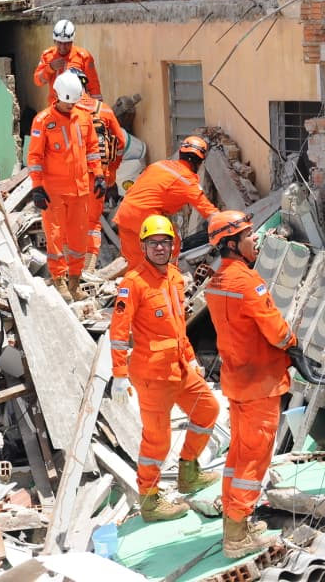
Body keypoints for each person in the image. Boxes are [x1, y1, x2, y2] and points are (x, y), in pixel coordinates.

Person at [204, 211, 325, 557]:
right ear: (232, 244)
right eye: (247, 235)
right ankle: (237, 536)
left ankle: (234, 520)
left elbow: (244, 332)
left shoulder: (217, 283)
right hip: (260, 384)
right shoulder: (247, 283)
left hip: (238, 380)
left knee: (239, 454)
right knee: (254, 458)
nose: (254, 239)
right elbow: (273, 327)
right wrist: (294, 346)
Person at [109, 214, 221, 522]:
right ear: (143, 247)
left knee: (207, 410)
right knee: (157, 440)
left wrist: (192, 360)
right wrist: (119, 374)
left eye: (165, 242)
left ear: (173, 246)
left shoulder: (174, 277)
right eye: (153, 243)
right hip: (152, 375)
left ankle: (188, 472)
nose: (160, 248)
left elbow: (178, 327)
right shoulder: (133, 283)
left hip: (181, 367)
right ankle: (149, 500)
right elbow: (118, 332)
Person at [27, 70, 105, 302]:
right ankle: (59, 280)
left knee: (79, 237)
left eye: (73, 103)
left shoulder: (83, 117)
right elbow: (35, 158)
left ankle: (74, 282)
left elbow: (92, 148)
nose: (70, 107)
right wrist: (37, 187)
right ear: (57, 95)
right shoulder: (43, 121)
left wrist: (99, 175)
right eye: (66, 103)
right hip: (54, 192)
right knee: (56, 236)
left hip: (81, 189)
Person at [113, 135, 217, 269]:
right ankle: (168, 278)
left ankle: (140, 287)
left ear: (181, 153)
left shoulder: (159, 165)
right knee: (171, 244)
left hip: (124, 213)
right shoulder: (187, 181)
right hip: (146, 216)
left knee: (135, 263)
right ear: (200, 162)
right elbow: (209, 212)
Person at [68, 67, 127, 271]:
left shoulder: (65, 112)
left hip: (73, 178)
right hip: (101, 177)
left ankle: (75, 268)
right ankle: (88, 267)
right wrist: (112, 171)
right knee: (92, 223)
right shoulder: (105, 110)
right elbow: (120, 143)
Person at [33, 19, 102, 108]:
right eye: (59, 43)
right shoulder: (47, 55)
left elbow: (93, 86)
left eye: (66, 43)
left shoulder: (84, 57)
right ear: (54, 41)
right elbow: (38, 81)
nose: (63, 47)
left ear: (72, 41)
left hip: (78, 108)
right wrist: (50, 68)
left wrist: (98, 110)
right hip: (55, 108)